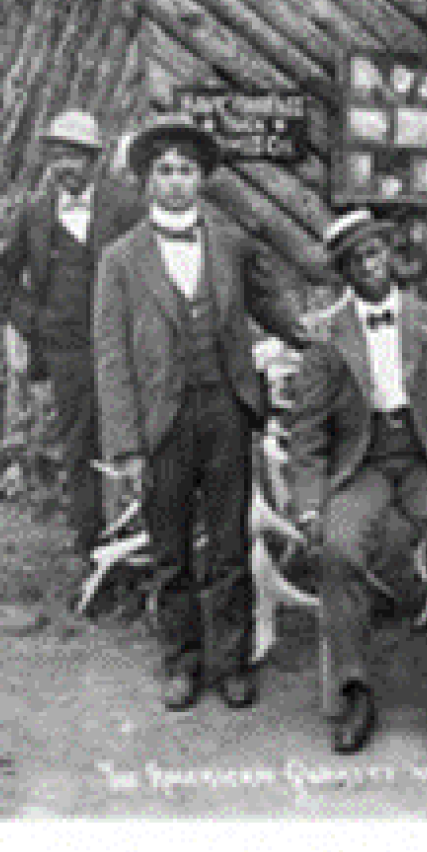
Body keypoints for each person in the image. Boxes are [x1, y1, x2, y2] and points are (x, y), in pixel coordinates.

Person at [93, 114, 308, 713]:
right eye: (163, 171)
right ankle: (182, 662)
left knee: (231, 543)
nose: (176, 182)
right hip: (161, 421)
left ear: (202, 179)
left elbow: (269, 303)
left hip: (227, 411)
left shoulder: (231, 241)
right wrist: (127, 446)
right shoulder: (120, 259)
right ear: (145, 181)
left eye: (186, 170)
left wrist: (304, 331)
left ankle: (235, 662)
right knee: (170, 550)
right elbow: (110, 355)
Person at [286, 209, 427, 755]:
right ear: (344, 272)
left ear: (391, 258)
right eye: (356, 260)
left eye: (376, 254)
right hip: (362, 463)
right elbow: (307, 434)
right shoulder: (326, 335)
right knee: (339, 546)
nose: (370, 267)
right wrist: (307, 507)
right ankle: (355, 691)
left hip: (425, 459)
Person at [0, 109, 144, 556]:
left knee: (131, 443)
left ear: (94, 159)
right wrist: (31, 322)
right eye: (56, 155)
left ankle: (138, 545)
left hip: (126, 348)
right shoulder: (35, 214)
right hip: (66, 352)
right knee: (79, 448)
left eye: (74, 155)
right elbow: (0, 274)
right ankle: (89, 549)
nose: (64, 165)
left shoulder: (127, 208)